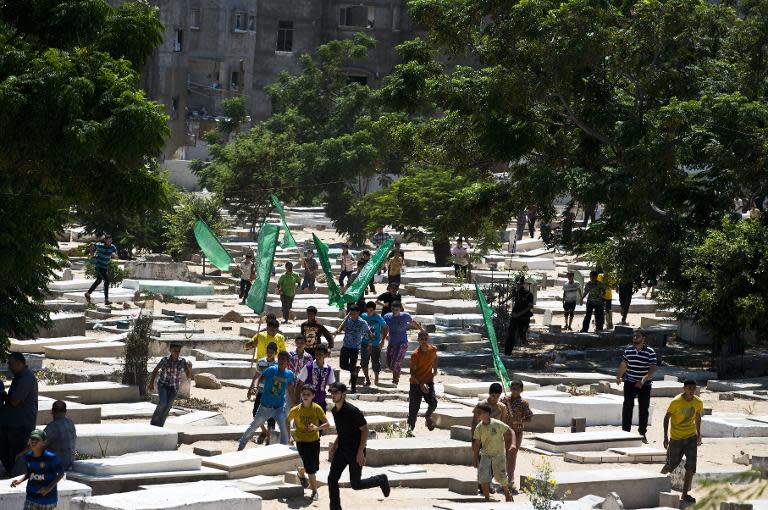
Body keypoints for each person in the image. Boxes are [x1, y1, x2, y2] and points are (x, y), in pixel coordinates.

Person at [327, 382, 390, 510]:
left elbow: (365, 430)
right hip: (342, 450)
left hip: (355, 451)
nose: (333, 395)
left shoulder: (352, 411)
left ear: (343, 394)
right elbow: (342, 431)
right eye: (331, 392)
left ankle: (381, 479)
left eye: (336, 392)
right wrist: (334, 446)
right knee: (332, 479)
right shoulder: (334, 410)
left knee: (356, 484)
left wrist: (361, 451)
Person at [238, 351, 294, 449]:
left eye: (284, 359)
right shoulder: (272, 370)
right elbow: (260, 379)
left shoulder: (289, 374)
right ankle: (241, 446)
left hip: (279, 408)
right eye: (280, 358)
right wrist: (256, 388)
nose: (281, 361)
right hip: (265, 407)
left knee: (284, 430)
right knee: (253, 427)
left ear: (288, 362)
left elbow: (290, 389)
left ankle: (284, 451)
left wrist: (294, 402)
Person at [661, 380, 703, 504]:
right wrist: (665, 436)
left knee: (691, 466)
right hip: (676, 437)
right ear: (684, 388)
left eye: (693, 388)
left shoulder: (698, 402)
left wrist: (699, 434)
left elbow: (697, 417)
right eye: (689, 388)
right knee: (671, 464)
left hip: (691, 436)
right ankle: (656, 481)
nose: (691, 390)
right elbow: (666, 417)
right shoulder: (676, 402)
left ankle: (685, 494)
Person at [287, 384, 330, 501]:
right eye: (303, 394)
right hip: (301, 441)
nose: (305, 396)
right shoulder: (295, 410)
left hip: (315, 441)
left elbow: (327, 424)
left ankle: (301, 473)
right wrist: (289, 436)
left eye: (308, 394)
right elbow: (287, 421)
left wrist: (316, 428)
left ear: (313, 396)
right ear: (301, 395)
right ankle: (314, 492)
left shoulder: (317, 408)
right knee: (311, 468)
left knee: (314, 467)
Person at [616, 330, 657, 443]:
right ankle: (625, 432)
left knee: (644, 408)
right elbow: (624, 364)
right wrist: (619, 376)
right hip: (630, 381)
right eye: (634, 335)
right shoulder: (628, 350)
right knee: (627, 406)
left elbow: (652, 368)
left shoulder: (650, 352)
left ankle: (642, 433)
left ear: (643, 338)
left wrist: (643, 380)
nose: (634, 337)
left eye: (637, 336)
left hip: (645, 384)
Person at [1, 352, 39, 476]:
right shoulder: (19, 376)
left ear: (19, 363)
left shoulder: (26, 378)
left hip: (21, 425)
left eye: (11, 364)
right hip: (13, 424)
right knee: (7, 451)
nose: (9, 367)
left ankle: (16, 476)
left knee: (16, 454)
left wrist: (2, 394)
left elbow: (15, 401)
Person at [10, 429, 65, 510]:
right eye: (32, 439)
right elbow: (29, 472)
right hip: (31, 497)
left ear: (44, 442)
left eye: (37, 439)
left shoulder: (50, 457)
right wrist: (20, 480)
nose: (33, 441)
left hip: (47, 500)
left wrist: (48, 488)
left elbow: (61, 474)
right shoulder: (28, 456)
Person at [472, 403, 514, 502]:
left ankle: (507, 493)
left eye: (480, 413)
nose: (478, 415)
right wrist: (474, 458)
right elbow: (477, 444)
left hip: (498, 454)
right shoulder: (479, 427)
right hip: (485, 455)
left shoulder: (497, 424)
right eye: (478, 413)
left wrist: (513, 444)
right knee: (483, 477)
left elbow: (511, 431)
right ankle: (487, 498)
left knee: (501, 477)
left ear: (487, 414)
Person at [148, 343, 192, 427]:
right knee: (163, 403)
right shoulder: (165, 360)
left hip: (174, 388)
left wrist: (190, 369)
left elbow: (189, 376)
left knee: (168, 407)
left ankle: (160, 425)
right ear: (170, 350)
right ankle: (153, 423)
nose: (176, 353)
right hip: (163, 385)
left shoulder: (182, 361)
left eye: (178, 351)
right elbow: (155, 370)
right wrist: (151, 383)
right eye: (175, 351)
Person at [501, 380, 533, 491]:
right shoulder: (505, 400)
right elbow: (497, 411)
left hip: (517, 432)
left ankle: (511, 480)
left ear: (521, 390)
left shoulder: (523, 403)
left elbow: (529, 417)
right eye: (513, 388)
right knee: (504, 456)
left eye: (517, 389)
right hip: (505, 431)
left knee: (512, 455)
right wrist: (503, 402)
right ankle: (504, 481)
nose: (515, 391)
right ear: (510, 389)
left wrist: (520, 420)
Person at [383, 301, 423, 385]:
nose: (395, 311)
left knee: (397, 361)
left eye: (397, 310)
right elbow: (384, 328)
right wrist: (385, 335)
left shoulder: (405, 316)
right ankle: (396, 374)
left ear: (400, 309)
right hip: (392, 342)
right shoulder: (387, 317)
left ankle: (395, 379)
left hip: (402, 342)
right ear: (391, 309)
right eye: (393, 309)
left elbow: (413, 323)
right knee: (389, 363)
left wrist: (422, 330)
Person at [334, 305, 372, 394]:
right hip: (345, 346)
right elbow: (341, 328)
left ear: (358, 313)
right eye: (351, 313)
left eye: (354, 314)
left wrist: (369, 344)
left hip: (354, 348)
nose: (352, 315)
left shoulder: (362, 322)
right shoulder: (347, 319)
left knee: (352, 370)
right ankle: (355, 369)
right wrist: (338, 331)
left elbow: (369, 333)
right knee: (343, 366)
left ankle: (353, 388)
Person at [407, 331, 438, 436]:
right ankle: (409, 431)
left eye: (425, 339)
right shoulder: (415, 354)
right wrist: (420, 384)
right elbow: (412, 373)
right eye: (421, 339)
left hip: (428, 381)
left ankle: (427, 415)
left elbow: (435, 358)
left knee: (433, 403)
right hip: (416, 383)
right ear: (418, 340)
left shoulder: (433, 349)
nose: (424, 341)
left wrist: (435, 369)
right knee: (414, 408)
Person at [247, 342, 278, 444]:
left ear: (275, 353)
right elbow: (256, 376)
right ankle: (264, 431)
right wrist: (252, 387)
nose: (270, 354)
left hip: (272, 394)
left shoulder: (278, 364)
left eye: (272, 352)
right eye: (268, 352)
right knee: (256, 413)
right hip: (261, 392)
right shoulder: (261, 362)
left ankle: (269, 438)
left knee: (271, 416)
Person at [298, 344, 335, 412]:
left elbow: (331, 385)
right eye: (316, 354)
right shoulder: (308, 367)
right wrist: (297, 400)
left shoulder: (329, 369)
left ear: (325, 355)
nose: (318, 356)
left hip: (321, 401)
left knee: (322, 422)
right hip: (307, 402)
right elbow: (300, 384)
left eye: (320, 354)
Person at [84, 234, 118, 305]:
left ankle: (88, 293)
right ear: (105, 240)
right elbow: (92, 245)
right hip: (99, 266)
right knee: (107, 281)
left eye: (111, 240)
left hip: (105, 267)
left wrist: (114, 255)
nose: (110, 242)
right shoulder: (100, 245)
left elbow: (114, 252)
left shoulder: (112, 247)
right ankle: (106, 300)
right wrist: (91, 253)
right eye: (108, 240)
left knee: (99, 280)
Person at [42, 401, 76, 471]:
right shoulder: (70, 422)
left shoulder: (52, 427)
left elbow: (38, 444)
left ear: (52, 411)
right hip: (70, 462)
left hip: (57, 465)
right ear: (65, 411)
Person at [361, 302, 387, 386]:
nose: (369, 313)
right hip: (364, 342)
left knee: (375, 362)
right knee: (364, 362)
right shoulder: (363, 316)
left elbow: (385, 328)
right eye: (367, 311)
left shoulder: (378, 318)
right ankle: (367, 379)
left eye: (371, 311)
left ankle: (376, 377)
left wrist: (382, 340)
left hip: (375, 344)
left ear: (374, 310)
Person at [505, 276, 533, 354]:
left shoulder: (528, 294)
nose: (518, 285)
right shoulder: (516, 292)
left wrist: (519, 314)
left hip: (523, 317)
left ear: (522, 284)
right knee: (510, 334)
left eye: (519, 284)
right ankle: (507, 352)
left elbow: (529, 307)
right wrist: (503, 301)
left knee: (522, 333)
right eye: (517, 284)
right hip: (515, 316)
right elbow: (511, 295)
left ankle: (523, 342)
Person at [288, 336, 314, 405]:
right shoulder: (290, 355)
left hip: (302, 385)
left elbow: (310, 371)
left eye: (302, 343)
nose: (300, 345)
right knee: (289, 404)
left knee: (301, 404)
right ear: (295, 343)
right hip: (290, 384)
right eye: (298, 343)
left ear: (305, 344)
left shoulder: (308, 357)